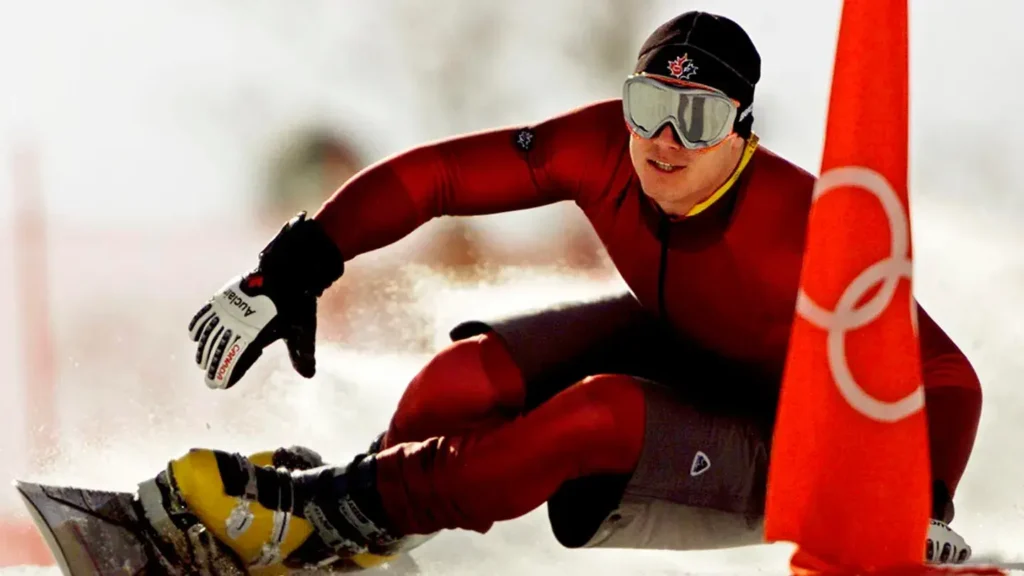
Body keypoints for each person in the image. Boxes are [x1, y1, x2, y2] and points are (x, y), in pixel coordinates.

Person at [178, 11, 980, 570]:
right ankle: (352, 518)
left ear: (742, 129)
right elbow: (441, 177)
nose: (664, 142)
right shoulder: (601, 146)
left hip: (784, 439)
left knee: (596, 414)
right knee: (460, 378)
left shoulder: (806, 228)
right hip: (677, 341)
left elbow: (948, 374)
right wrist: (294, 265)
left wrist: (927, 501)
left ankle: (325, 509)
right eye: (649, 107)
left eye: (696, 119)